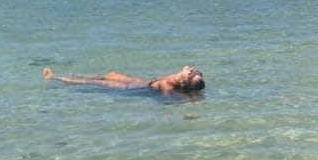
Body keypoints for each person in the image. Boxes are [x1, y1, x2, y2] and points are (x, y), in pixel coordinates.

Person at [43, 65, 204, 93]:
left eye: (192, 74)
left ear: (185, 81)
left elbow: (168, 101)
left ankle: (54, 77)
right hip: (139, 81)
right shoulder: (177, 80)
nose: (192, 69)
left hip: (131, 88)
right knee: (107, 74)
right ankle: (64, 76)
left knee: (94, 81)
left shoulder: (170, 87)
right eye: (197, 71)